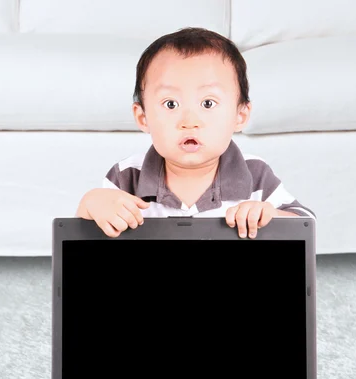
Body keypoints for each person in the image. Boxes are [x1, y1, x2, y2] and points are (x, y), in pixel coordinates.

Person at [76, 27, 316, 239]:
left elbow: (305, 223)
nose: (189, 121)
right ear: (143, 116)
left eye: (208, 103)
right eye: (171, 104)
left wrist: (272, 215)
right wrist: (90, 205)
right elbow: (85, 237)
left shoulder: (256, 175)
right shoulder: (127, 177)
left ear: (239, 115)